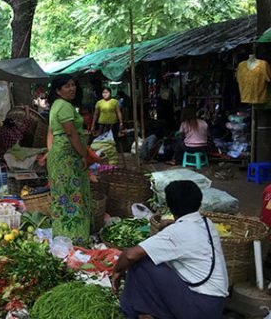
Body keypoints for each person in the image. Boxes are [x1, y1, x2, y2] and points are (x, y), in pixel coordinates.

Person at [113, 180, 228, 319]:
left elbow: (130, 255)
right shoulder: (205, 222)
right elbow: (186, 235)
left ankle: (128, 312)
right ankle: (149, 312)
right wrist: (170, 227)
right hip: (214, 307)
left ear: (170, 206)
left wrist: (117, 271)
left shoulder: (178, 231)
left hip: (199, 307)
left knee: (140, 262)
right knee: (151, 259)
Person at [46, 74, 91, 244]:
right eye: (67, 86)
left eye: (73, 85)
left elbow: (50, 132)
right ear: (58, 90)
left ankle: (63, 236)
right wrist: (83, 155)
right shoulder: (64, 106)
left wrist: (52, 153)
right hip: (68, 155)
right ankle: (76, 238)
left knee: (61, 194)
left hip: (59, 154)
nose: (72, 88)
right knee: (74, 194)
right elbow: (71, 134)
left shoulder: (56, 105)